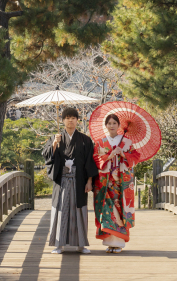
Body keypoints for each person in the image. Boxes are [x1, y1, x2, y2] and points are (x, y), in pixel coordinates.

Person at [42, 107, 98, 254]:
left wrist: (90, 181)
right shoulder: (56, 138)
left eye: (73, 117)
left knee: (79, 211)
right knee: (61, 210)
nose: (70, 120)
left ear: (77, 120)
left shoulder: (85, 140)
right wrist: (54, 143)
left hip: (79, 181)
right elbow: (47, 155)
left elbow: (90, 162)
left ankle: (81, 245)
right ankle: (58, 245)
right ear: (63, 120)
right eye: (67, 117)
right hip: (62, 182)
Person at [92, 113, 140, 254]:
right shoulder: (100, 143)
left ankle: (118, 243)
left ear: (119, 126)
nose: (112, 126)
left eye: (114, 123)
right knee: (107, 209)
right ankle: (108, 242)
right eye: (109, 123)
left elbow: (136, 157)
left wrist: (124, 154)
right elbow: (96, 158)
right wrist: (109, 156)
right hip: (105, 182)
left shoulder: (126, 142)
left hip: (121, 182)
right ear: (105, 126)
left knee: (120, 209)